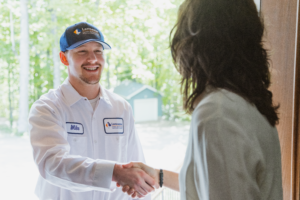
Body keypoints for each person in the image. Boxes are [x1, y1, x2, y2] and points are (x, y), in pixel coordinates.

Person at [120, 0, 283, 199]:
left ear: (195, 43)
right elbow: (217, 183)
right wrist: (158, 176)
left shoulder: (218, 114)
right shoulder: (249, 104)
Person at [29, 22, 158, 200]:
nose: (93, 59)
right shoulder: (48, 108)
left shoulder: (121, 108)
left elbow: (137, 167)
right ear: (64, 58)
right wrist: (113, 173)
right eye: (82, 51)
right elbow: (52, 165)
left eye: (98, 51)